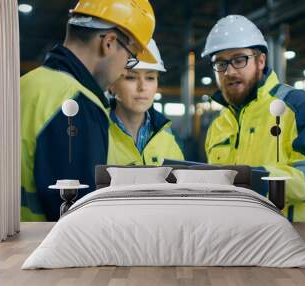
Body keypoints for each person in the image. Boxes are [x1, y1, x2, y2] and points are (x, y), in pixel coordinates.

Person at [20, 0, 156, 221]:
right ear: (109, 43)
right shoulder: (78, 104)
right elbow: (80, 219)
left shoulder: (27, 84)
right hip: (46, 248)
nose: (123, 70)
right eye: (130, 58)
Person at [202, 15, 305, 222]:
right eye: (220, 63)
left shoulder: (301, 107)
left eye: (239, 60)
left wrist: (258, 181)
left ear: (260, 61)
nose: (229, 71)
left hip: (296, 240)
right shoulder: (218, 126)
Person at [107, 39, 184, 165]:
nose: (142, 87)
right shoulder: (96, 132)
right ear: (112, 84)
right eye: (131, 77)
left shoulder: (169, 140)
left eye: (150, 78)